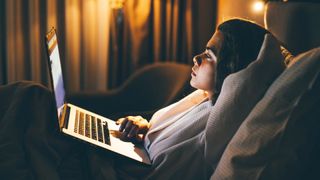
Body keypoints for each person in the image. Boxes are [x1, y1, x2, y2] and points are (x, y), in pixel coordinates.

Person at [0, 18, 273, 180]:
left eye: (209, 57)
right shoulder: (201, 99)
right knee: (29, 95)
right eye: (203, 51)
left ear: (232, 71)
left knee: (26, 97)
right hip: (123, 150)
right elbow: (159, 137)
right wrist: (142, 128)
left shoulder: (218, 129)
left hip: (107, 167)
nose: (196, 59)